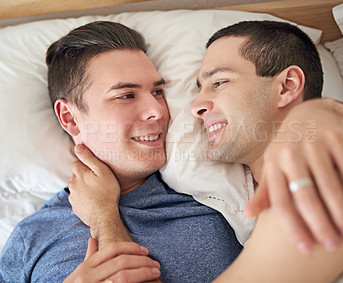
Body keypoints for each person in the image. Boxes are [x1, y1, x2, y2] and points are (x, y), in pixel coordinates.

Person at [69, 21, 343, 282]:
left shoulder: (329, 173)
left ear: (286, 86)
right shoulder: (262, 203)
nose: (196, 105)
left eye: (219, 82)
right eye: (199, 88)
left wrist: (104, 217)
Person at [0, 21, 243, 283]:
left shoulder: (216, 204)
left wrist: (104, 216)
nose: (158, 110)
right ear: (69, 118)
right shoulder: (33, 236)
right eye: (126, 95)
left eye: (158, 91)